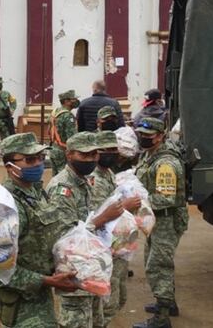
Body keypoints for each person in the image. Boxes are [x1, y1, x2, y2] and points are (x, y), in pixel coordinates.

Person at [0, 132, 80, 326]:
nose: (38, 164)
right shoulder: (5, 206)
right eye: (29, 159)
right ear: (10, 167)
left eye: (40, 158)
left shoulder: (35, 190)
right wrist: (47, 281)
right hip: (22, 302)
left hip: (41, 294)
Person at [48, 132, 139, 328]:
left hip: (91, 265)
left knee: (97, 320)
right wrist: (103, 218)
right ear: (69, 154)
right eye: (84, 155)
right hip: (73, 270)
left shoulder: (84, 180)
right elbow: (63, 236)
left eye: (93, 154)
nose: (90, 159)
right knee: (77, 322)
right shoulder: (62, 188)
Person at [133, 118, 188, 328]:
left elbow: (166, 198)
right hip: (158, 219)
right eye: (141, 135)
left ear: (160, 136)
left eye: (148, 136)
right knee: (156, 259)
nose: (143, 139)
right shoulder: (151, 154)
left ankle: (162, 319)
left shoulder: (166, 164)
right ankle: (168, 303)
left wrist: (137, 201)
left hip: (166, 218)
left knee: (158, 265)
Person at [90, 130, 130, 327]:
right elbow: (100, 215)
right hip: (105, 250)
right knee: (106, 305)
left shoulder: (108, 173)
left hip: (117, 248)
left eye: (114, 149)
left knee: (119, 298)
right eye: (106, 150)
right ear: (96, 152)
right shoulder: (93, 178)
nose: (111, 153)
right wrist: (126, 206)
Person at [49, 90, 79, 176]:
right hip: (63, 152)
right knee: (64, 177)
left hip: (53, 149)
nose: (76, 101)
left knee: (55, 177)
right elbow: (72, 138)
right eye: (74, 99)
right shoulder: (68, 116)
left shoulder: (55, 111)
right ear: (66, 101)